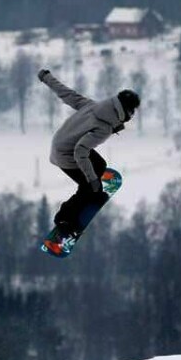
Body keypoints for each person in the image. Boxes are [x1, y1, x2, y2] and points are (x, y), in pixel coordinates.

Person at [38, 68, 140, 237]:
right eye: (132, 112)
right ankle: (64, 219)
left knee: (100, 165)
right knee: (87, 187)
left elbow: (66, 94)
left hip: (61, 143)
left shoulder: (93, 106)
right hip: (66, 156)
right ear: (126, 113)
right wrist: (92, 180)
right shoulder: (104, 127)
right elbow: (80, 151)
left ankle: (95, 193)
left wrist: (46, 77)